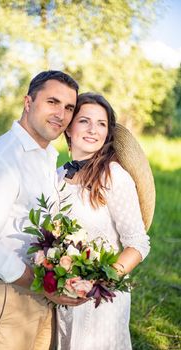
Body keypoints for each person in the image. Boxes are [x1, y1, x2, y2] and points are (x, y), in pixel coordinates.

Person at [0, 70, 86, 350]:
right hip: (7, 293)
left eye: (69, 107)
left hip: (39, 287)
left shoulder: (46, 155)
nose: (61, 114)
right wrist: (43, 285)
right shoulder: (0, 160)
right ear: (28, 103)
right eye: (52, 102)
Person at [56, 93, 151, 350]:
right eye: (84, 121)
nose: (92, 130)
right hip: (61, 295)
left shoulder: (114, 176)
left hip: (101, 299)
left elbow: (138, 243)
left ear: (108, 133)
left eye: (101, 124)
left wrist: (98, 282)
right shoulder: (57, 175)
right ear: (69, 128)